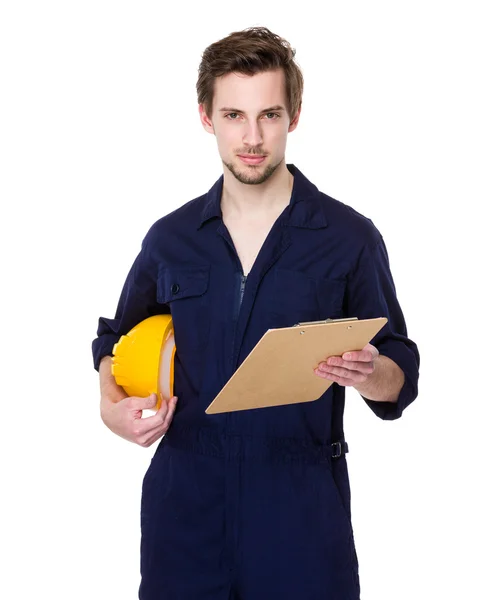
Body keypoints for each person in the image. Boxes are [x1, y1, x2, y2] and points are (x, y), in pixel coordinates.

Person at [92, 26, 420, 600]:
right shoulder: (171, 240)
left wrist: (374, 374)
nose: (251, 137)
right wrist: (109, 407)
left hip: (300, 510)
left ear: (293, 116)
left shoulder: (348, 239)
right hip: (185, 509)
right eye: (233, 116)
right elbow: (116, 342)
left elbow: (400, 368)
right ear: (205, 117)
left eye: (268, 115)